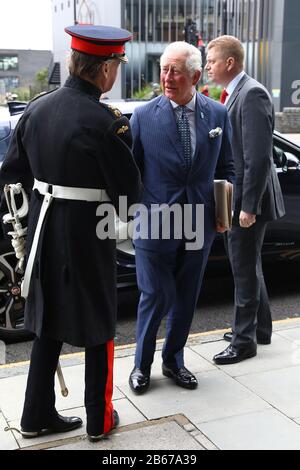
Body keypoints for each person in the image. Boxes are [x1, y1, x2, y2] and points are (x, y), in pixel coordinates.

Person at [0, 25, 141, 441]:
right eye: (115, 63)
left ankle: (34, 416)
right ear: (104, 70)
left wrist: (44, 202)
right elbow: (129, 194)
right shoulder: (107, 123)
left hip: (44, 232)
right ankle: (99, 421)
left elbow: (11, 175)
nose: (115, 71)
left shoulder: (37, 109)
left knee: (48, 324)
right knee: (99, 326)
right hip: (86, 235)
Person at [129, 41, 235, 394]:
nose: (167, 77)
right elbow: (132, 172)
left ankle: (174, 360)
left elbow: (227, 167)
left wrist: (225, 206)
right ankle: (141, 366)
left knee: (187, 296)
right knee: (155, 294)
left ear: (193, 75)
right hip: (155, 222)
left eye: (175, 71)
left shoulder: (217, 115)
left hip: (200, 222)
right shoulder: (143, 117)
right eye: (163, 70)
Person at [205, 36, 285, 365]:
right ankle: (260, 329)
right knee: (250, 265)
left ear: (230, 63)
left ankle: (244, 340)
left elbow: (257, 159)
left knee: (243, 270)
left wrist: (248, 207)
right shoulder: (234, 93)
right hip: (238, 197)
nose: (207, 65)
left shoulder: (251, 94)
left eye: (211, 60)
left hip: (248, 201)